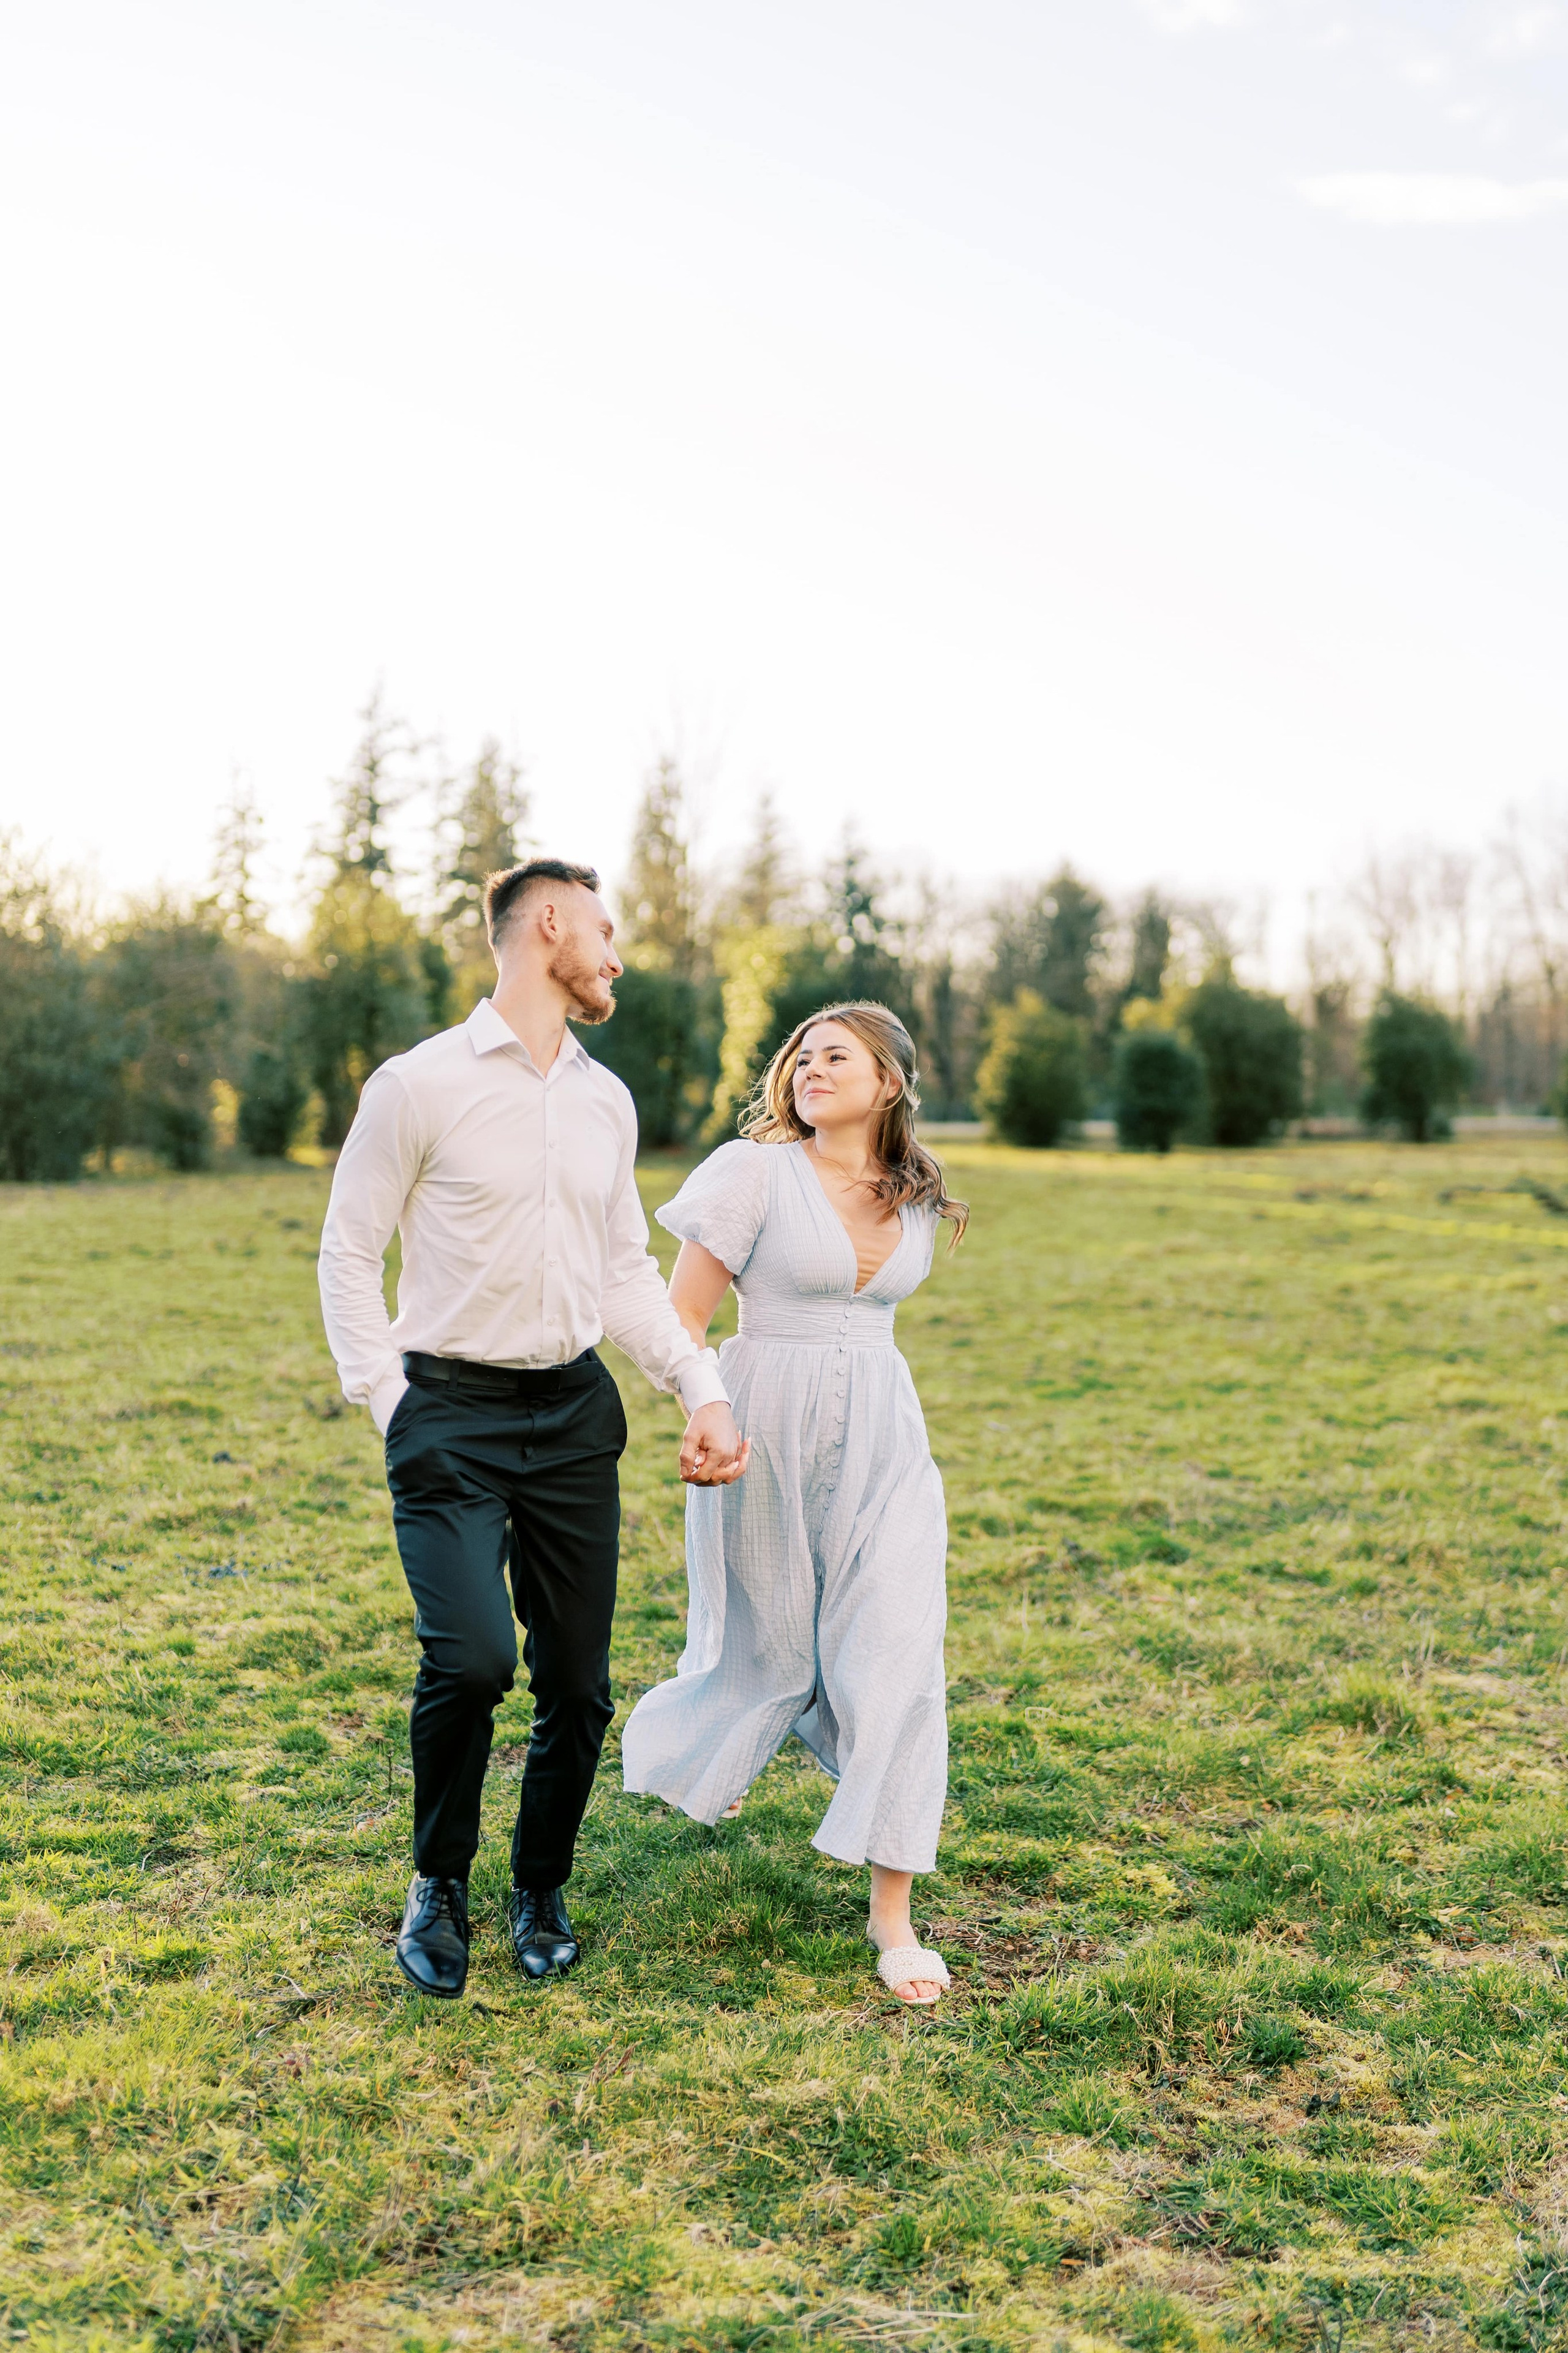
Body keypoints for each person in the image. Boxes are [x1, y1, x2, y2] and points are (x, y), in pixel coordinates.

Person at [318, 859, 747, 2000]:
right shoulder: (416, 1086)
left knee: (579, 1681)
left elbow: (624, 1274)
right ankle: (439, 1884)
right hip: (446, 1414)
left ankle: (539, 1885)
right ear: (545, 923)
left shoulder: (607, 1100)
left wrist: (699, 1385)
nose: (616, 955)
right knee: (470, 1661)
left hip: (571, 1415)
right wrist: (389, 1397)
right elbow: (349, 1252)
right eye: (605, 931)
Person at [621, 1001, 967, 2006]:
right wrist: (704, 1410)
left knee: (903, 1651)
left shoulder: (914, 1192)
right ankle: (722, 1743)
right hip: (764, 1424)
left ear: (889, 1081)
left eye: (837, 1056)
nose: (811, 1069)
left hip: (883, 1437)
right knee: (768, 1650)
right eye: (801, 1056)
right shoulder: (753, 1172)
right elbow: (683, 1314)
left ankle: (893, 1913)